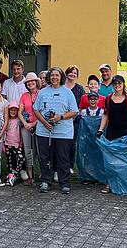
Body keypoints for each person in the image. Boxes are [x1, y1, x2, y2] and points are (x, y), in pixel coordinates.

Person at [33, 67, 79, 195]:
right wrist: (44, 122)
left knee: (62, 157)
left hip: (63, 132)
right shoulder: (42, 92)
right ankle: (45, 181)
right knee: (45, 157)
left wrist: (61, 117)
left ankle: (64, 183)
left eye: (57, 75)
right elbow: (36, 109)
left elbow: (74, 111)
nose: (54, 78)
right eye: (52, 75)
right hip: (44, 131)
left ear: (61, 77)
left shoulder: (67, 92)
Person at [97, 75, 127, 194]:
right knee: (110, 161)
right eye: (115, 84)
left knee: (125, 161)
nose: (117, 85)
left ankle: (124, 184)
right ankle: (110, 184)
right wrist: (100, 130)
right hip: (112, 132)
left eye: (119, 83)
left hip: (126, 132)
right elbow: (105, 115)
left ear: (123, 84)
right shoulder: (108, 99)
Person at [18, 72, 40, 185]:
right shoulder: (24, 96)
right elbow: (20, 113)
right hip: (26, 126)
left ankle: (42, 176)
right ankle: (30, 177)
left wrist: (34, 123)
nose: (30, 83)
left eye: (32, 81)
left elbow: (44, 112)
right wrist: (25, 123)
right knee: (27, 151)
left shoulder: (41, 94)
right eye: (28, 82)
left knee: (40, 151)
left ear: (36, 82)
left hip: (40, 126)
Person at [64, 65, 85, 173]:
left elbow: (82, 104)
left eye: (75, 73)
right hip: (61, 119)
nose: (72, 74)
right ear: (66, 73)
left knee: (72, 143)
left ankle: (70, 165)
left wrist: (75, 115)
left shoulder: (79, 88)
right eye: (71, 72)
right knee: (62, 143)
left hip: (75, 120)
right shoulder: (61, 86)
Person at [4, 102, 25, 186]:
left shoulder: (19, 121)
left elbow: (21, 133)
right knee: (9, 160)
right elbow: (4, 132)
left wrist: (21, 143)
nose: (13, 112)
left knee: (21, 158)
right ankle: (10, 175)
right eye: (11, 110)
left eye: (15, 110)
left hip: (16, 143)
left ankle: (15, 173)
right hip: (7, 143)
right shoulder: (6, 120)